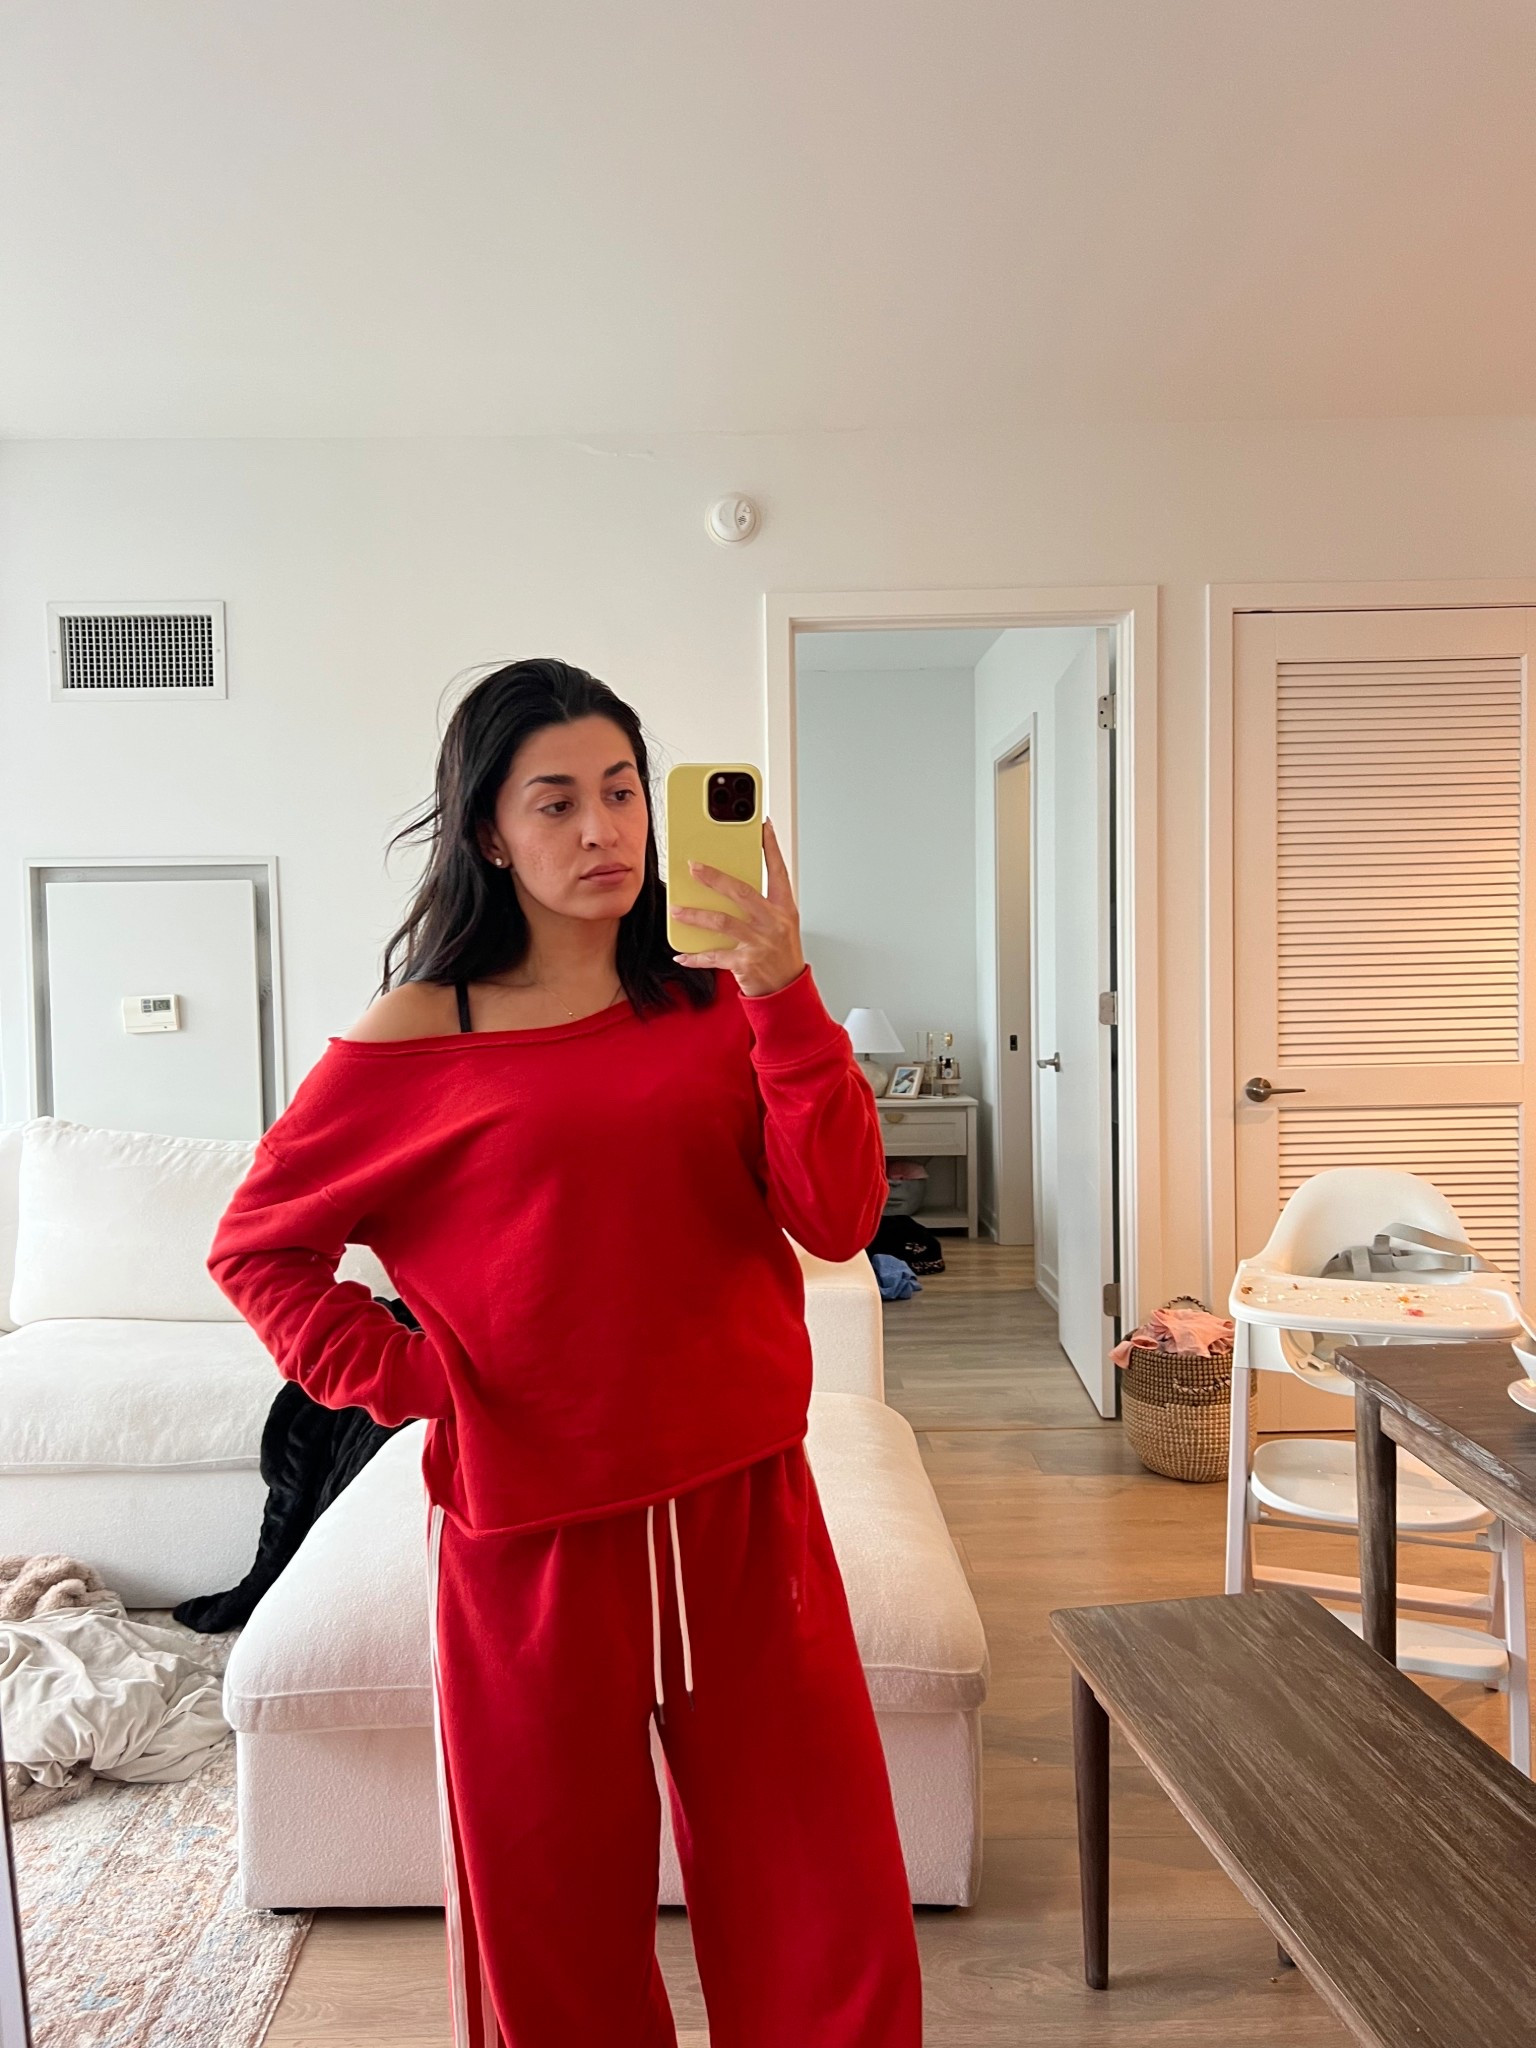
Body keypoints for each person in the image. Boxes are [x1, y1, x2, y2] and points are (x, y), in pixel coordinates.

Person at [206, 658, 923, 2047]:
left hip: (742, 1507)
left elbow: (840, 1219)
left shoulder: (719, 1003)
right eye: (556, 802)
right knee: (553, 1926)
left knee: (822, 1901)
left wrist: (784, 991)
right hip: (529, 1546)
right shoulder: (418, 1035)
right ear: (488, 831)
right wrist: (418, 1378)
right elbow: (258, 1249)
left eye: (621, 792)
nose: (604, 831)